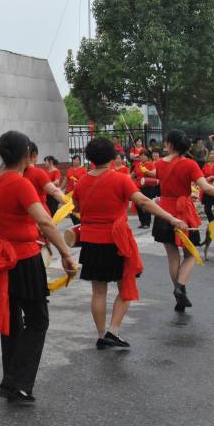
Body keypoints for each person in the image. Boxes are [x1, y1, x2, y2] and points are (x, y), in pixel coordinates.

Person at [0, 131, 77, 404]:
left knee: (11, 320)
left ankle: (11, 381)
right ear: (26, 155)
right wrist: (66, 253)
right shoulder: (19, 183)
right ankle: (18, 382)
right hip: (21, 258)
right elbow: (45, 221)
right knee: (37, 319)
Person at [74, 137, 187, 349]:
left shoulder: (81, 181)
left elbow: (77, 207)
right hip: (116, 242)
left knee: (98, 291)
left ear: (89, 158)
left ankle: (100, 335)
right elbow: (143, 201)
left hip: (91, 241)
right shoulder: (120, 179)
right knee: (125, 285)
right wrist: (172, 218)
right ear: (112, 156)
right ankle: (113, 331)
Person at [153, 131, 214, 312]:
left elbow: (156, 179)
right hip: (183, 213)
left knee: (172, 256)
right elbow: (205, 187)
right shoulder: (190, 164)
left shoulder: (159, 164)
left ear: (170, 145)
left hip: (164, 211)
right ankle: (180, 287)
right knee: (190, 253)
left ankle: (179, 292)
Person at [25, 142, 68, 214]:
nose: (44, 163)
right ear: (34, 155)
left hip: (28, 209)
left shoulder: (17, 174)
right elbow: (55, 192)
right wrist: (70, 205)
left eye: (46, 161)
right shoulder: (39, 172)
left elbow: (57, 182)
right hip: (40, 209)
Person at [132, 151, 159, 229]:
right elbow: (132, 175)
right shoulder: (138, 165)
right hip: (138, 187)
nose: (142, 157)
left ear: (147, 157)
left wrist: (146, 171)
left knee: (146, 204)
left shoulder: (150, 164)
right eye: (141, 156)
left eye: (144, 155)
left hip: (147, 186)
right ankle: (142, 222)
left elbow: (154, 173)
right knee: (138, 204)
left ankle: (147, 222)